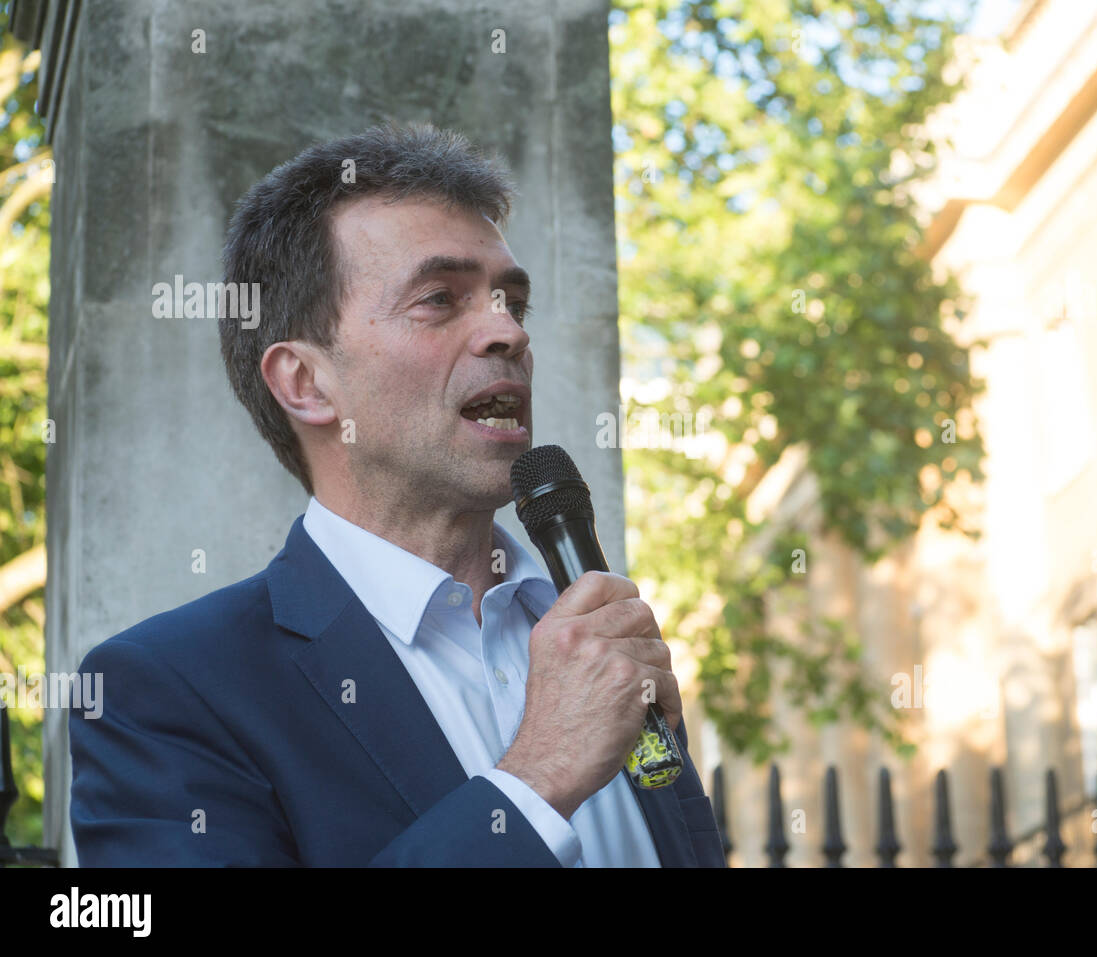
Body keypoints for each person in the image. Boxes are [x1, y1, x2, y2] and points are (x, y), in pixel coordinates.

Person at [68, 123, 726, 867]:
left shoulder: (599, 634)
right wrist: (537, 780)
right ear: (306, 383)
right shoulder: (165, 693)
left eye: (512, 301)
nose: (505, 331)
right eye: (441, 299)